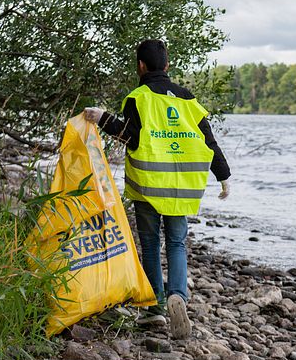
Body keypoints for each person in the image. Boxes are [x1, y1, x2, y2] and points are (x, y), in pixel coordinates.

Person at [84, 39, 230, 339]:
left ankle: (155, 308)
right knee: (177, 244)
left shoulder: (138, 97)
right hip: (180, 189)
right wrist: (223, 176)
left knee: (150, 246)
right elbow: (208, 141)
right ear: (167, 65)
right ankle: (179, 295)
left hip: (148, 186)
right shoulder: (188, 99)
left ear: (140, 65)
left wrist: (103, 119)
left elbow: (132, 137)